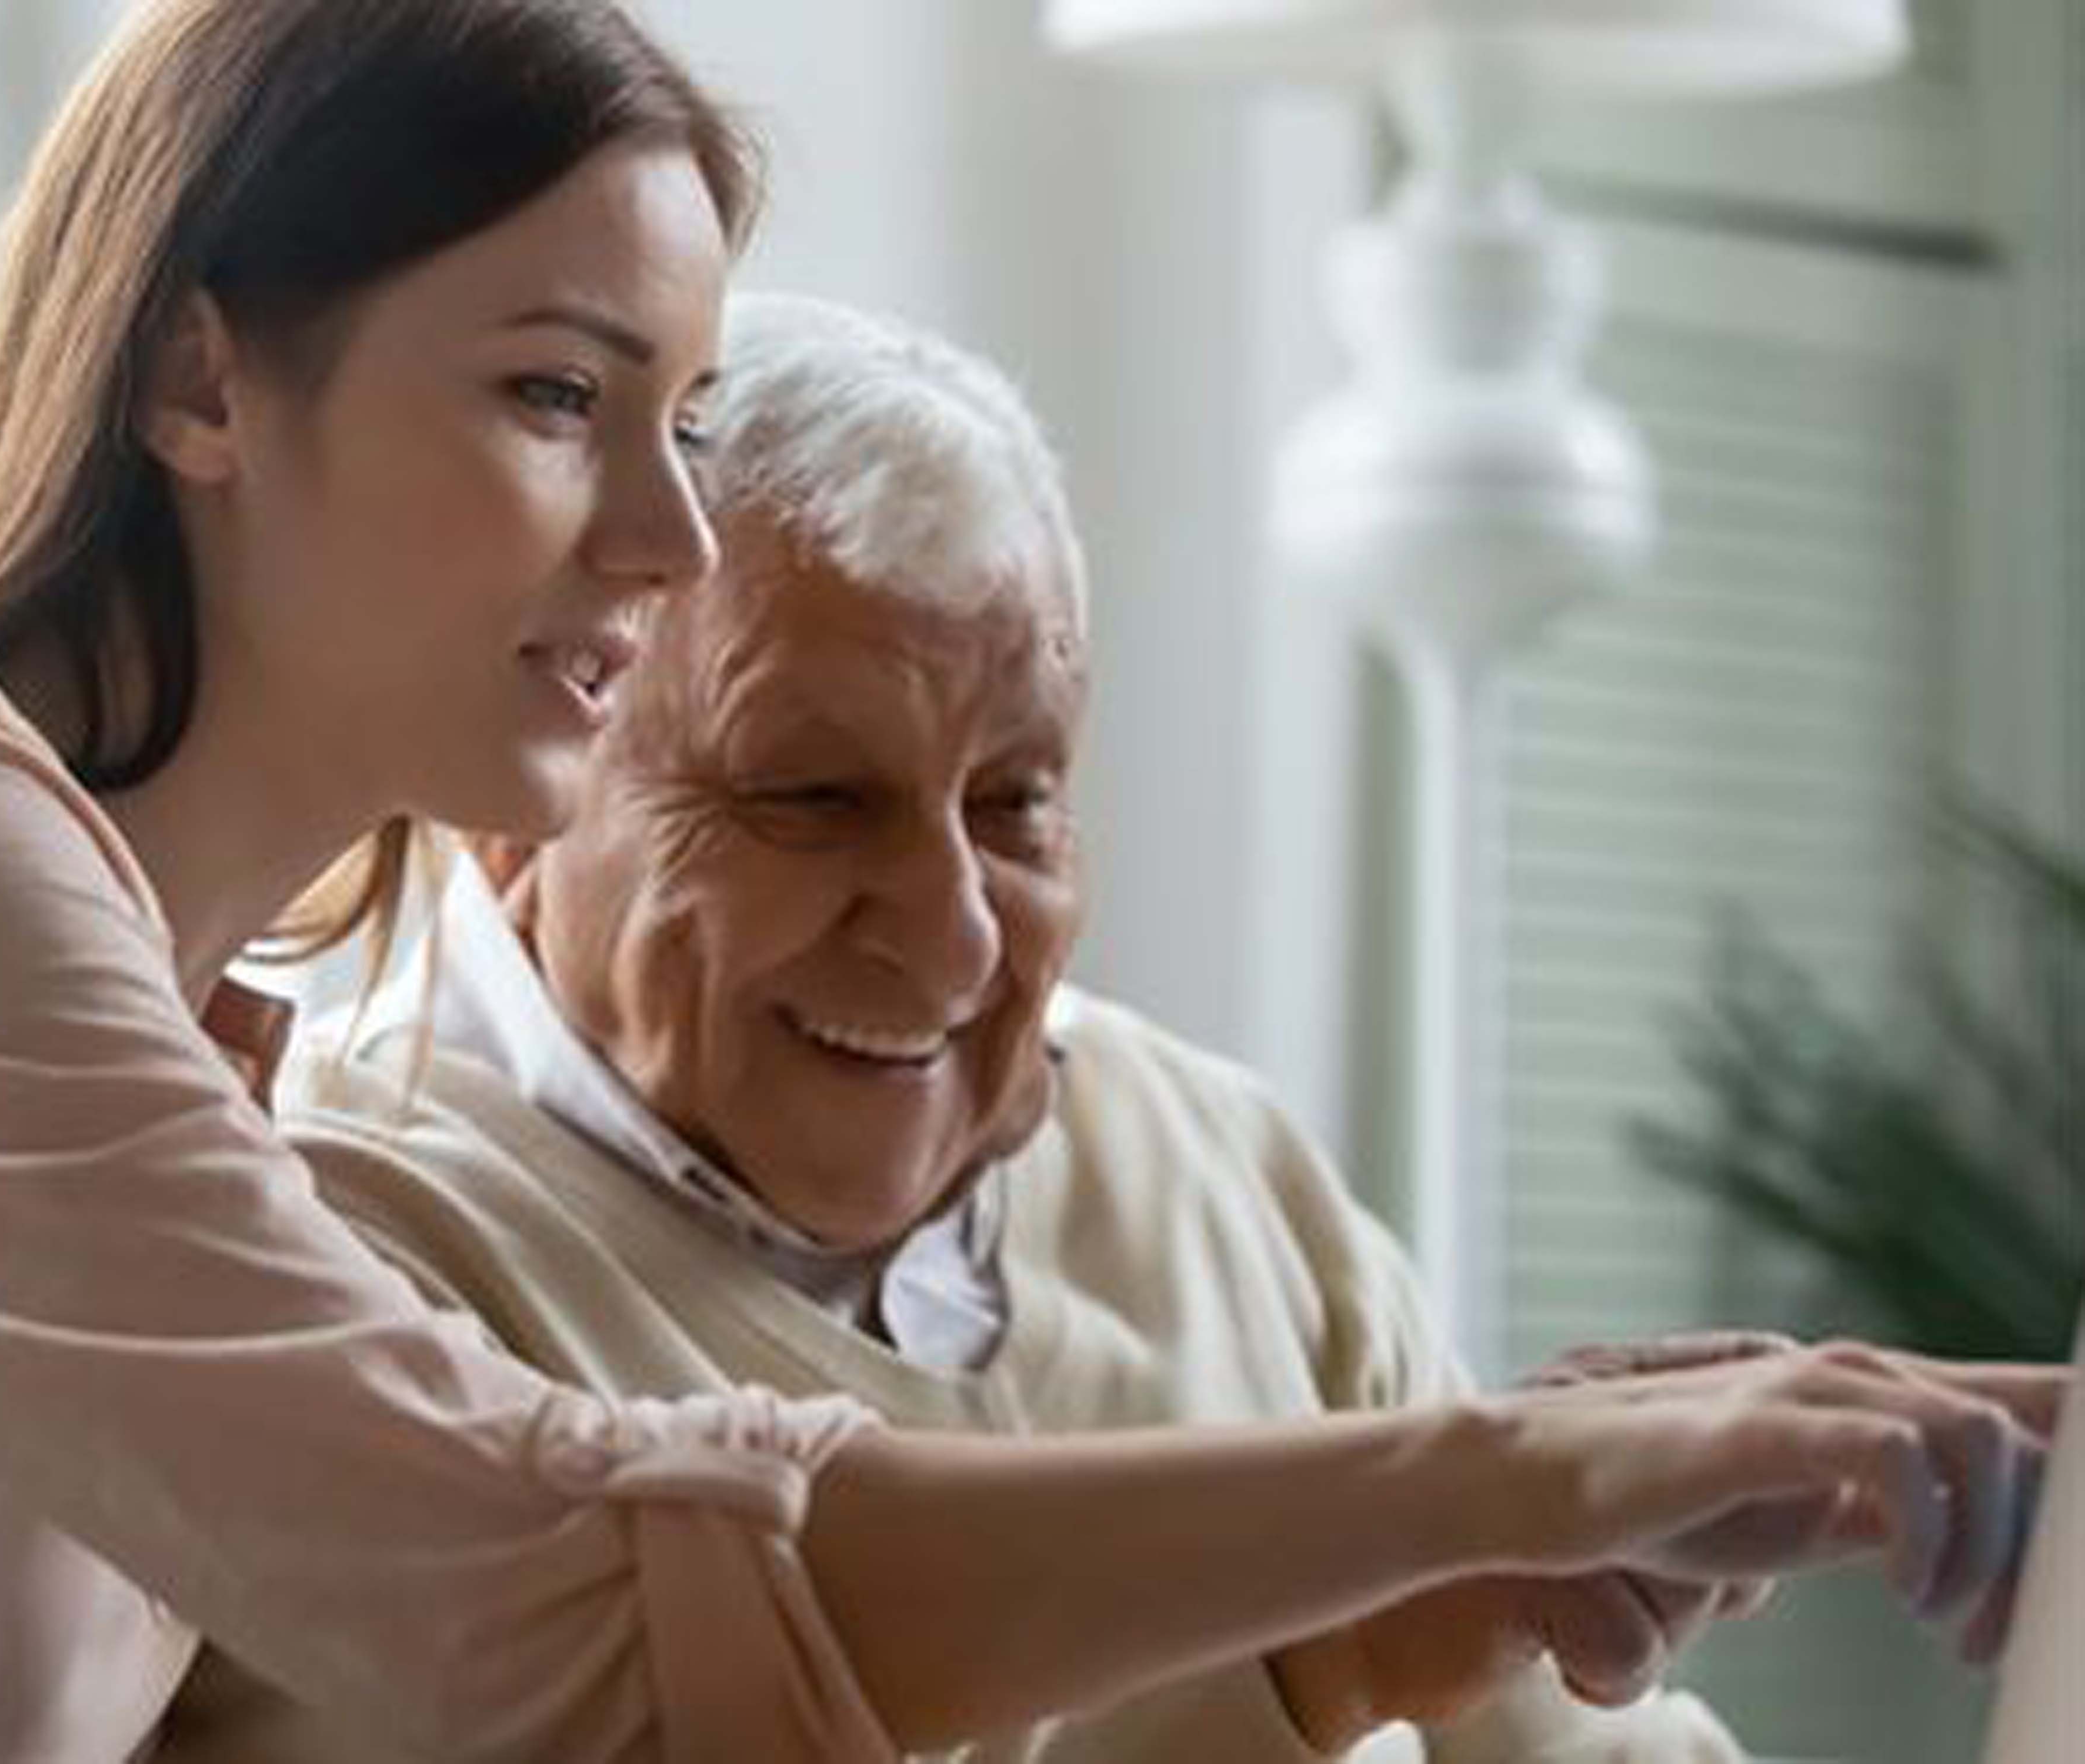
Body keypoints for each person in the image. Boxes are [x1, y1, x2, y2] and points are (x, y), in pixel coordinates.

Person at [0, 4, 2053, 1761]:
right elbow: (563, 1600)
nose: (666, 534)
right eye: (561, 398)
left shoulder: (155, 1019)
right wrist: (1492, 1477)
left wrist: (1429, 1577)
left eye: (679, 414)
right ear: (200, 372)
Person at [146, 290, 1981, 1762]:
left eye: (1015, 802)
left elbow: (1560, 1741)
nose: (949, 930)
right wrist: (1348, 1640)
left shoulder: (1206, 1157)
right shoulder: (334, 1251)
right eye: (809, 798)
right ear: (522, 791)